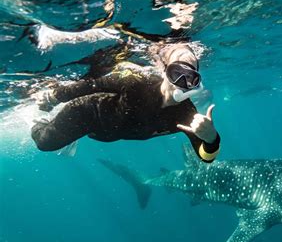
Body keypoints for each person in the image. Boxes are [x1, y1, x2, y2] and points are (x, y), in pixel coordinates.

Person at [31, 43, 220, 163]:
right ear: (163, 73)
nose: (181, 84)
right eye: (175, 74)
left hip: (108, 132)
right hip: (87, 113)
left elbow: (206, 157)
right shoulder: (137, 81)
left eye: (190, 79)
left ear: (197, 83)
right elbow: (91, 84)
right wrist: (52, 97)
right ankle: (37, 120)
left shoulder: (187, 115)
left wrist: (211, 138)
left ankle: (68, 132)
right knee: (45, 143)